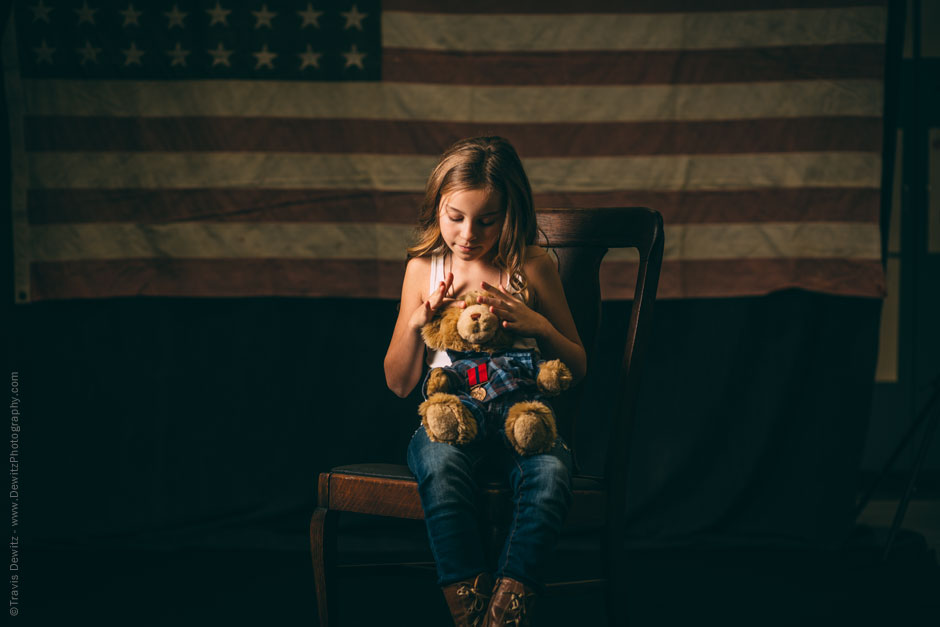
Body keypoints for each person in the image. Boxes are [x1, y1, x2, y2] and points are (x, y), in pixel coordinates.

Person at [384, 136, 586, 626]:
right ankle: (469, 606)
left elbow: (578, 366)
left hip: (523, 416)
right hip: (453, 416)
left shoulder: (533, 266)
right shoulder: (423, 270)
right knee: (439, 461)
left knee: (552, 473)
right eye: (456, 217)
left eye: (487, 220)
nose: (469, 233)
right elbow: (399, 382)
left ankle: (508, 610)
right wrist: (417, 321)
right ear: (438, 208)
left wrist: (538, 326)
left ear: (512, 213)